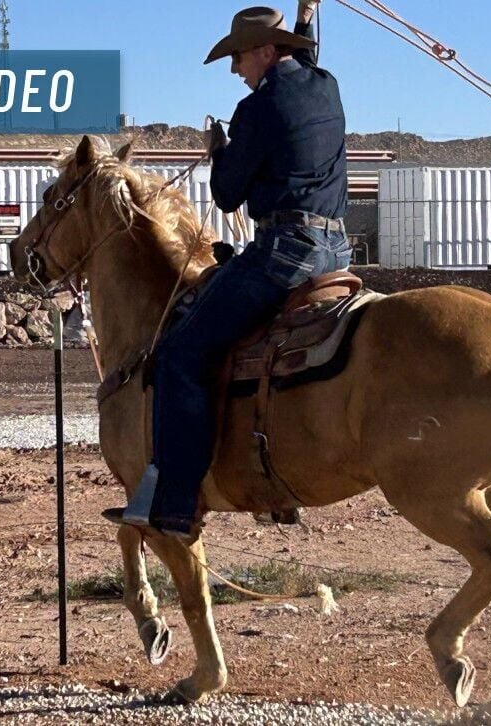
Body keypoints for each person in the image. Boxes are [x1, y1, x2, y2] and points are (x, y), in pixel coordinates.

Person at [107, 2, 352, 538]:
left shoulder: (256, 110)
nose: (235, 70)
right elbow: (306, 64)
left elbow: (225, 196)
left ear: (265, 51)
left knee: (180, 353)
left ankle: (176, 503)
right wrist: (306, 19)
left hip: (284, 253)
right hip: (337, 252)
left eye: (238, 58)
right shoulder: (326, 86)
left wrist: (219, 150)